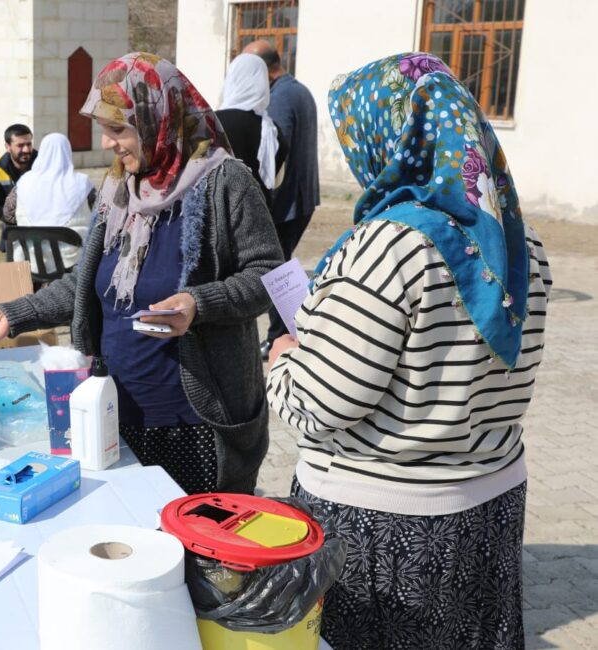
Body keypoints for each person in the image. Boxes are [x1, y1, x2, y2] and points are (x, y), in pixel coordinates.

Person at [266, 53, 551, 649]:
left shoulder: (389, 246)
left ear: (390, 136)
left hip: (385, 522)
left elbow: (323, 403)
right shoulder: (521, 245)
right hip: (489, 505)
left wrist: (283, 359)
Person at [0, 53, 284, 495]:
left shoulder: (225, 182)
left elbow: (270, 275)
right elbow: (86, 284)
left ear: (156, 119)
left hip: (193, 424)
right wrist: (13, 316)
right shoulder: (119, 189)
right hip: (113, 414)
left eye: (116, 130)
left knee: (196, 556)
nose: (108, 144)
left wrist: (198, 303)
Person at [242, 40, 319, 353]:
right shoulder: (298, 89)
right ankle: (289, 333)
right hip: (301, 197)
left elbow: (276, 151)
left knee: (277, 274)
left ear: (263, 69)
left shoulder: (282, 96)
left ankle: (279, 338)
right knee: (282, 269)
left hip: (288, 201)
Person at [1, 132, 96, 274]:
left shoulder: (24, 182)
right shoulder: (83, 183)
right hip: (71, 264)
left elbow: (7, 215)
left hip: (31, 260)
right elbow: (99, 215)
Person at [215, 53, 288, 206]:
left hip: (217, 218)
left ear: (231, 80)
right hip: (259, 221)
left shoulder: (211, 123)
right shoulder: (272, 132)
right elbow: (274, 182)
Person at [0, 123, 37, 251]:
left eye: (29, 144)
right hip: (13, 228)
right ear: (8, 147)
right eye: (20, 145)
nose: (26, 149)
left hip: (41, 228)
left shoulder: (43, 163)